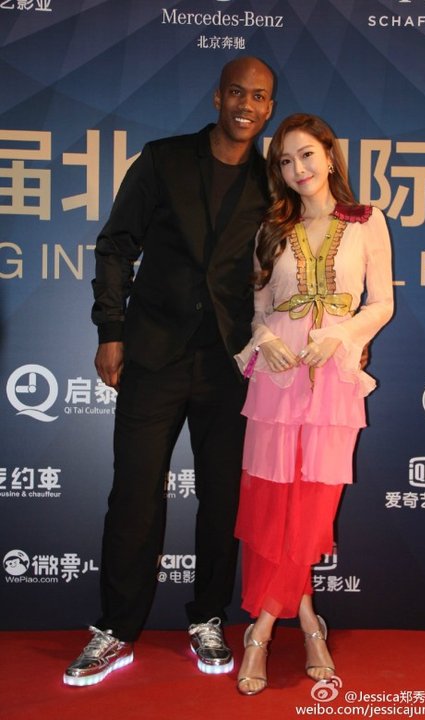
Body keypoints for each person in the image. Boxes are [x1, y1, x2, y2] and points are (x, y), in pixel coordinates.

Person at [63, 56, 275, 687]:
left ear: (269, 108)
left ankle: (208, 617)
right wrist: (110, 329)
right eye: (236, 92)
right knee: (133, 494)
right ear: (217, 97)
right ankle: (116, 630)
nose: (246, 105)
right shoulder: (163, 159)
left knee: (222, 499)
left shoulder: (274, 183)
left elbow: (293, 270)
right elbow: (116, 246)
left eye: (259, 96)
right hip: (153, 355)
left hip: (232, 364)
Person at [233, 113, 394, 695]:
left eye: (306, 154)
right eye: (284, 160)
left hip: (333, 376)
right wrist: (265, 339)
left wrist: (343, 336)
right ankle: (306, 624)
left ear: (329, 155)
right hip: (276, 380)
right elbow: (258, 310)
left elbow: (382, 304)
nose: (297, 168)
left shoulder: (366, 220)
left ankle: (262, 629)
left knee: (312, 506)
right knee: (272, 503)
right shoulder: (271, 226)